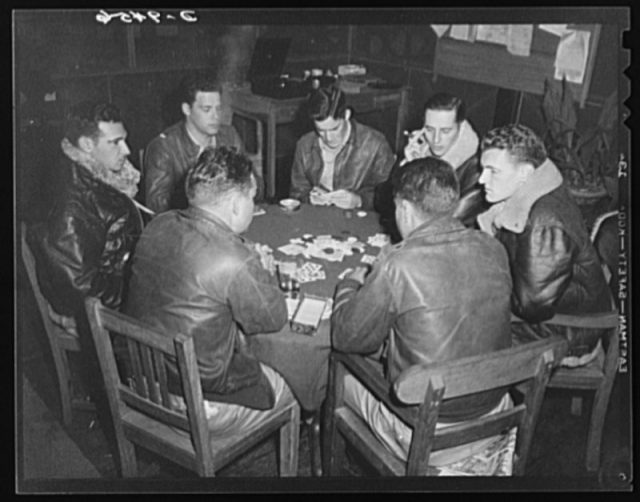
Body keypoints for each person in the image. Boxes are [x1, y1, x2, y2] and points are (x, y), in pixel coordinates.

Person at [331, 157, 514, 470]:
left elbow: (347, 338)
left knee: (338, 373)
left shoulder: (398, 264)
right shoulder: (493, 247)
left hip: (426, 433)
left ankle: (341, 467)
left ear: (403, 208)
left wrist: (348, 286)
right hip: (497, 413)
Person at [125, 146, 295, 429]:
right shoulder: (235, 259)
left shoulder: (158, 224)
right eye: (252, 198)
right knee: (295, 389)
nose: (253, 206)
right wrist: (262, 269)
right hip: (197, 401)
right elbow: (273, 319)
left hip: (142, 380)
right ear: (235, 205)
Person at [477, 124, 614, 367]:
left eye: (493, 171)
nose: (481, 179)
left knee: (463, 336)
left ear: (525, 173)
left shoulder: (545, 223)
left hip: (567, 333)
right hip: (553, 314)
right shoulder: (532, 193)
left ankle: (492, 404)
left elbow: (532, 307)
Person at [27, 100, 143, 325]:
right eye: (115, 142)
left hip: (114, 296)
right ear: (87, 145)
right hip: (100, 317)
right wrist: (140, 295)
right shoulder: (73, 203)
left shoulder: (99, 179)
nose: (127, 150)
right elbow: (80, 286)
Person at [375, 92, 487, 231]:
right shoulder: (421, 151)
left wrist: (421, 174)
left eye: (445, 131)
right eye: (429, 129)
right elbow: (382, 205)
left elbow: (442, 225)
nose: (436, 140)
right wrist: (407, 167)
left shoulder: (478, 169)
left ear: (461, 126)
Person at [143, 73, 249, 214]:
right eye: (206, 109)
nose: (216, 116)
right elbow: (157, 205)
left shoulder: (229, 135)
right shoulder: (164, 147)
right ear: (187, 109)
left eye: (218, 108)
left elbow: (255, 185)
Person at [290, 85, 395, 210]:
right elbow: (296, 194)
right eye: (321, 131)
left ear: (346, 114)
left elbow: (390, 198)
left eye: (334, 129)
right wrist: (308, 199)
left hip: (359, 222)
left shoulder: (375, 144)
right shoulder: (305, 145)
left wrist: (360, 201)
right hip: (318, 220)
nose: (328, 138)